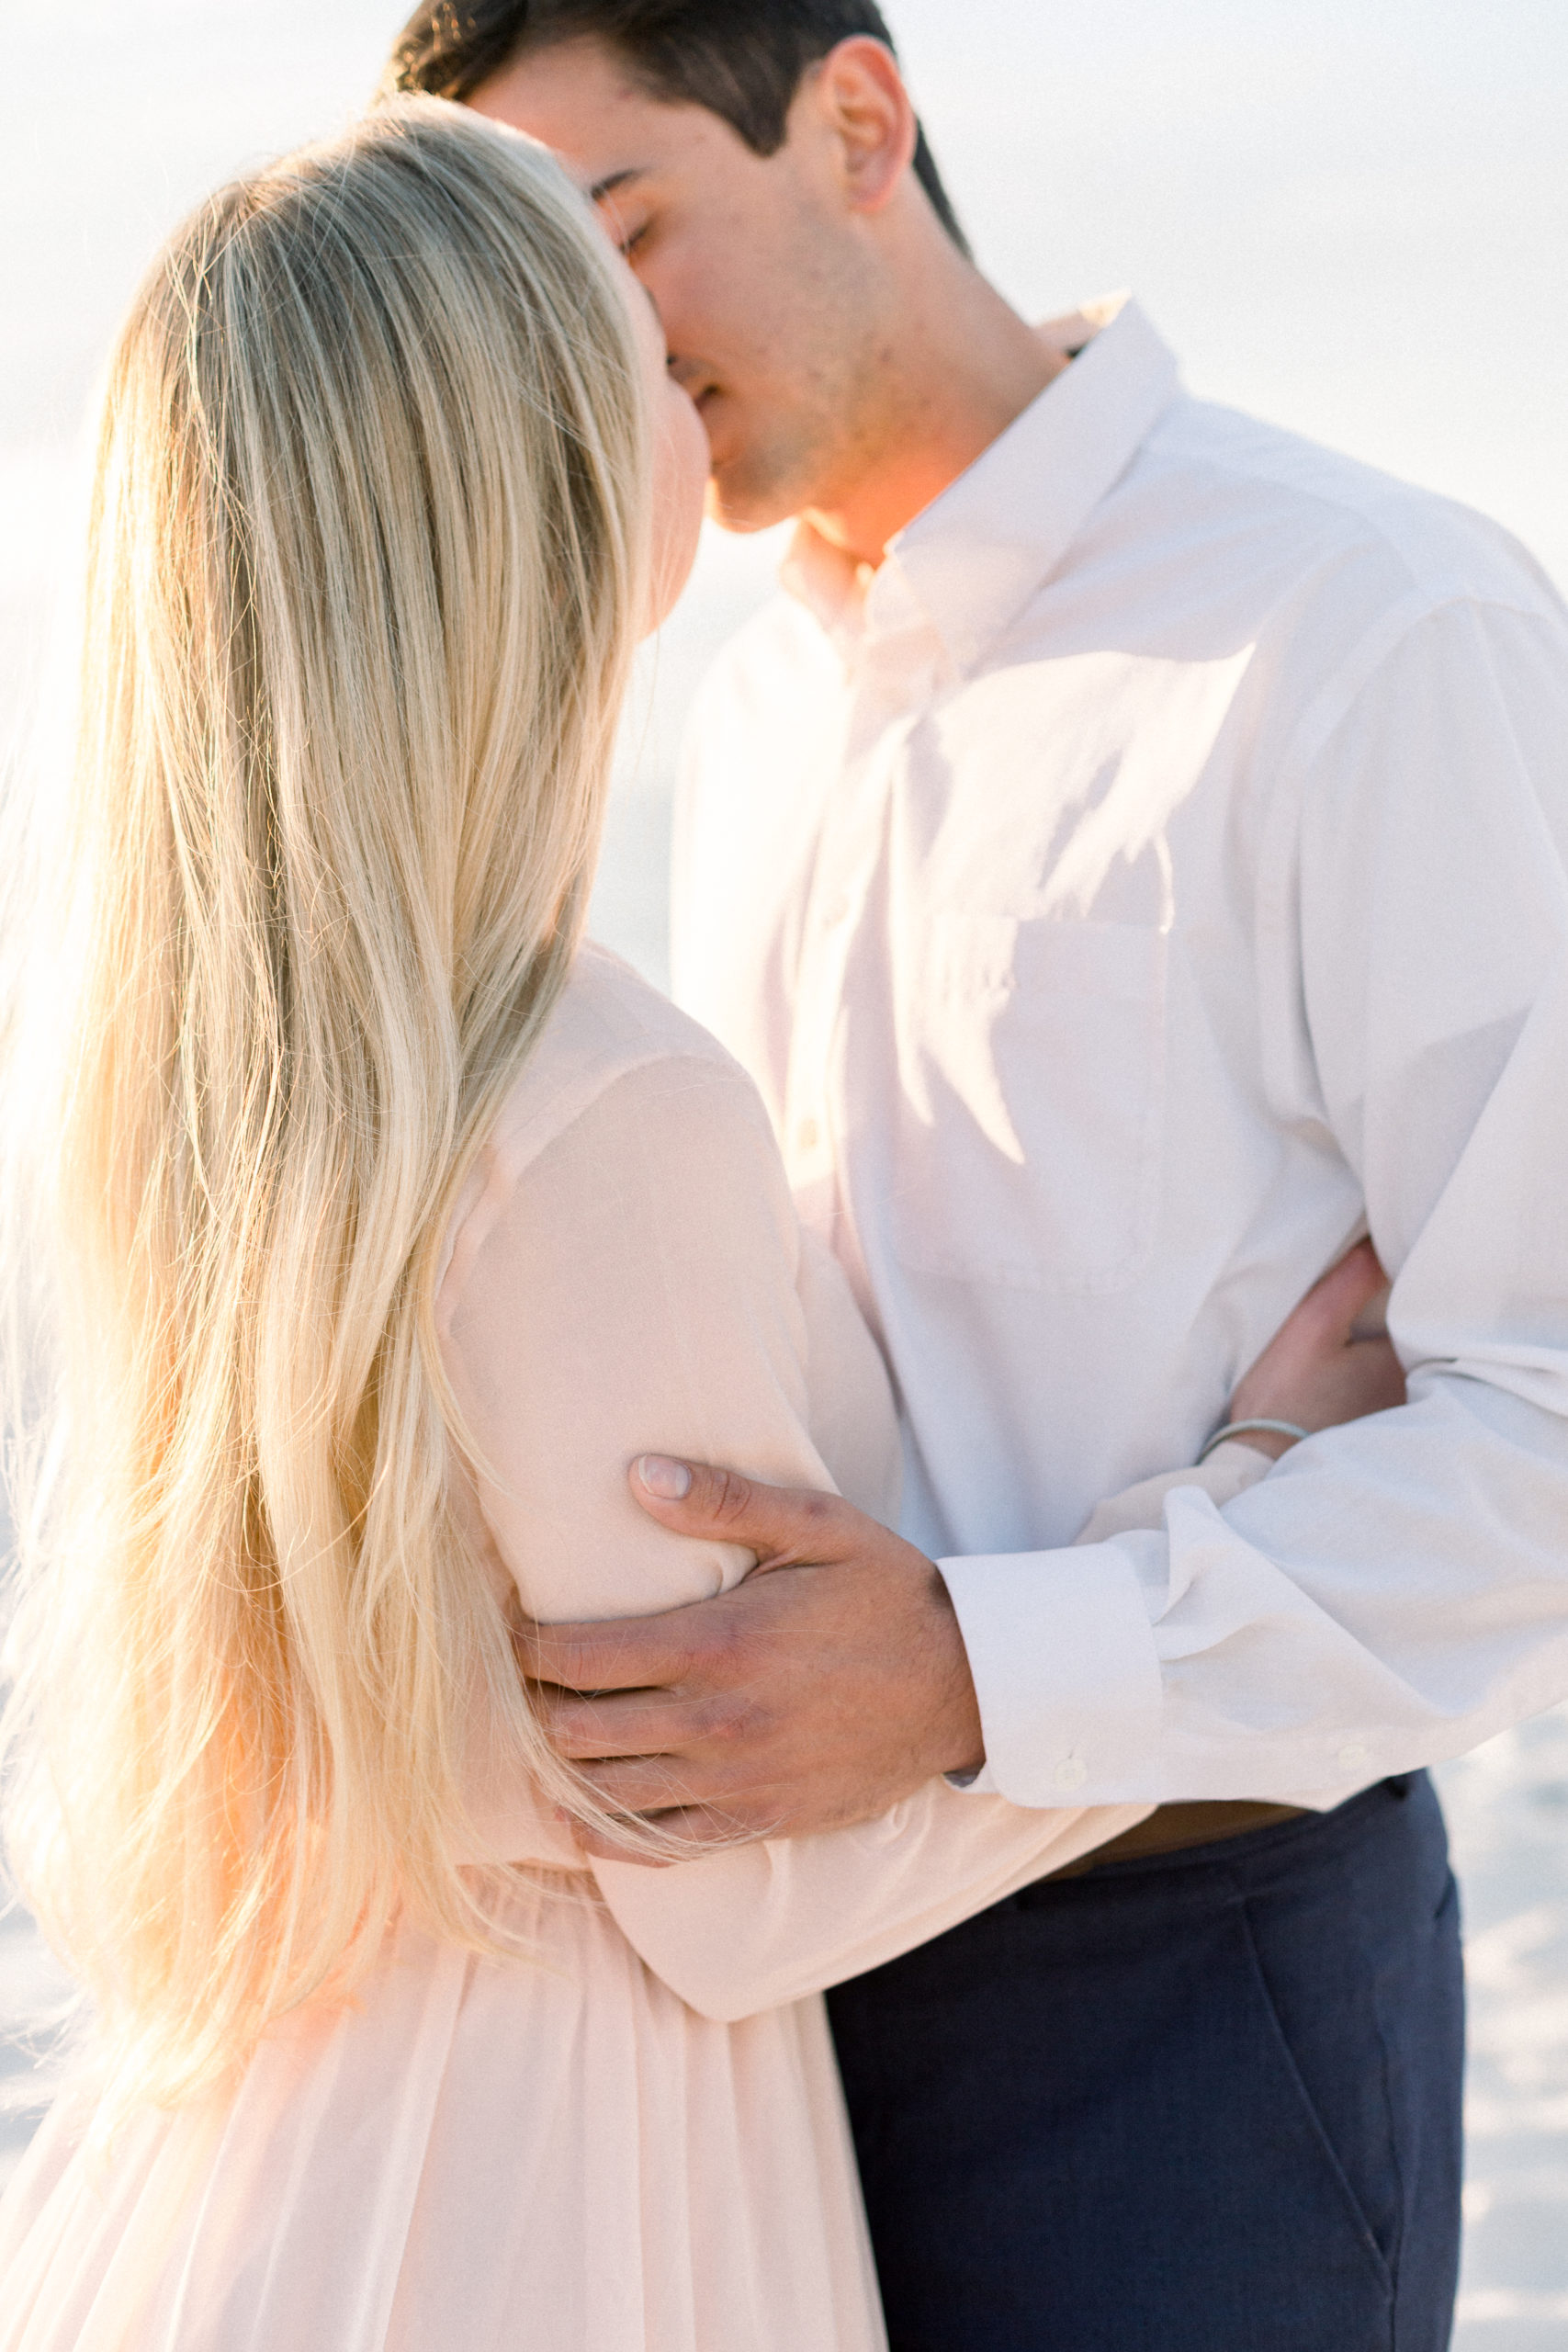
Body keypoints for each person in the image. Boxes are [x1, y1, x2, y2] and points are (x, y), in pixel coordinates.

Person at [0, 94, 1392, 2352]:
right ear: (534, 487)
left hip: (262, 2143)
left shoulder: (237, 1075)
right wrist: (1242, 1488)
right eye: (625, 360)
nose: (682, 384)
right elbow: (755, 1892)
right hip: (550, 2189)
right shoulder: (592, 1099)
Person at [388, 5, 1568, 2346]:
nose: (594, 359)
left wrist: (966, 1666)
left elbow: (1544, 1427)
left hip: (1180, 1989)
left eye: (625, 239)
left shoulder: (1361, 625)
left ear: (852, 120)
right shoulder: (737, 721)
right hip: (751, 2005)